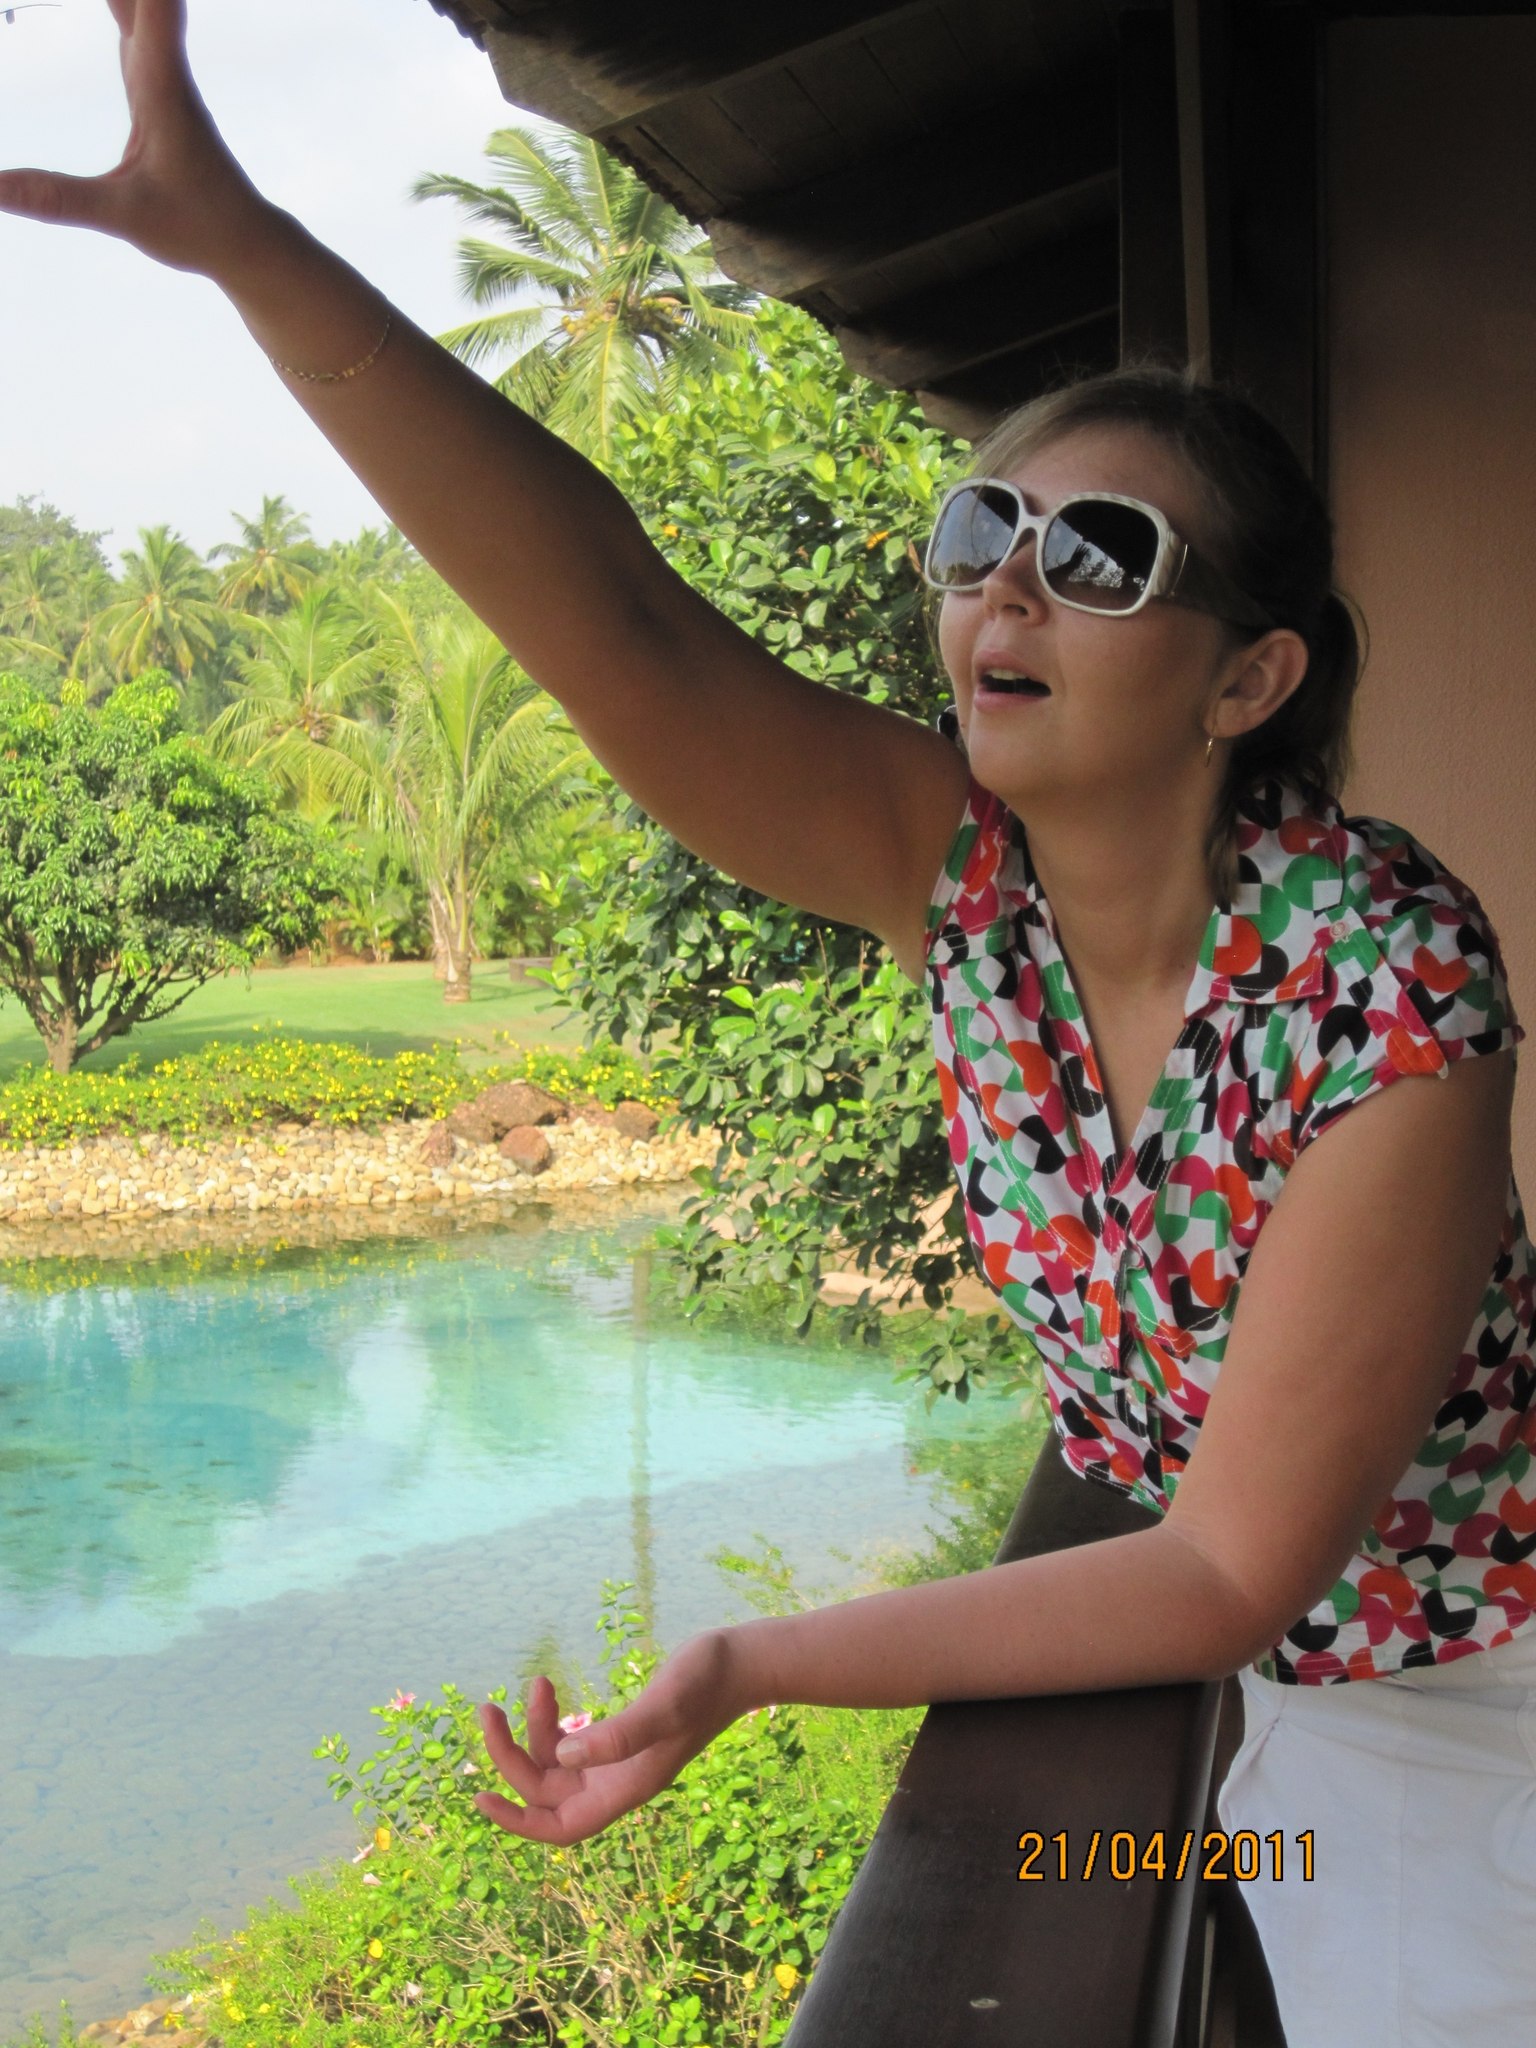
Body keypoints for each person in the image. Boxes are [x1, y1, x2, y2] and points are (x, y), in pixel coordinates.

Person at [5, 6, 1533, 2042]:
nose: (1007, 592)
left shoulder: (1383, 976)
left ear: (1247, 680)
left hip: (1469, 1689)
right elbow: (621, 625)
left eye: (1098, 557)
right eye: (982, 536)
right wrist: (248, 246)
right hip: (1271, 1702)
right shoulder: (965, 886)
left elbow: (1228, 1565)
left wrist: (750, 1661)